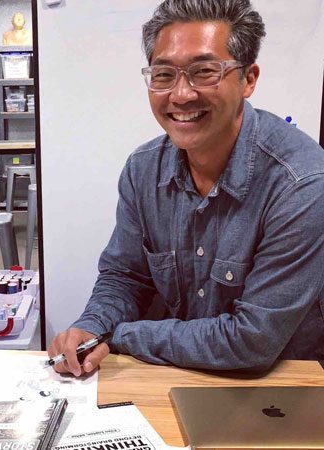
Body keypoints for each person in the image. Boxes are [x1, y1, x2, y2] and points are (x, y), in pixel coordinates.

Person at [49, 0, 324, 377]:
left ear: (248, 79)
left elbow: (252, 341)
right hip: (181, 373)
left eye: (204, 71)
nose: (180, 95)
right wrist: (93, 325)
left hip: (280, 390)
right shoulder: (143, 170)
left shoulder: (301, 183)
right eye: (163, 75)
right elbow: (125, 276)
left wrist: (119, 335)